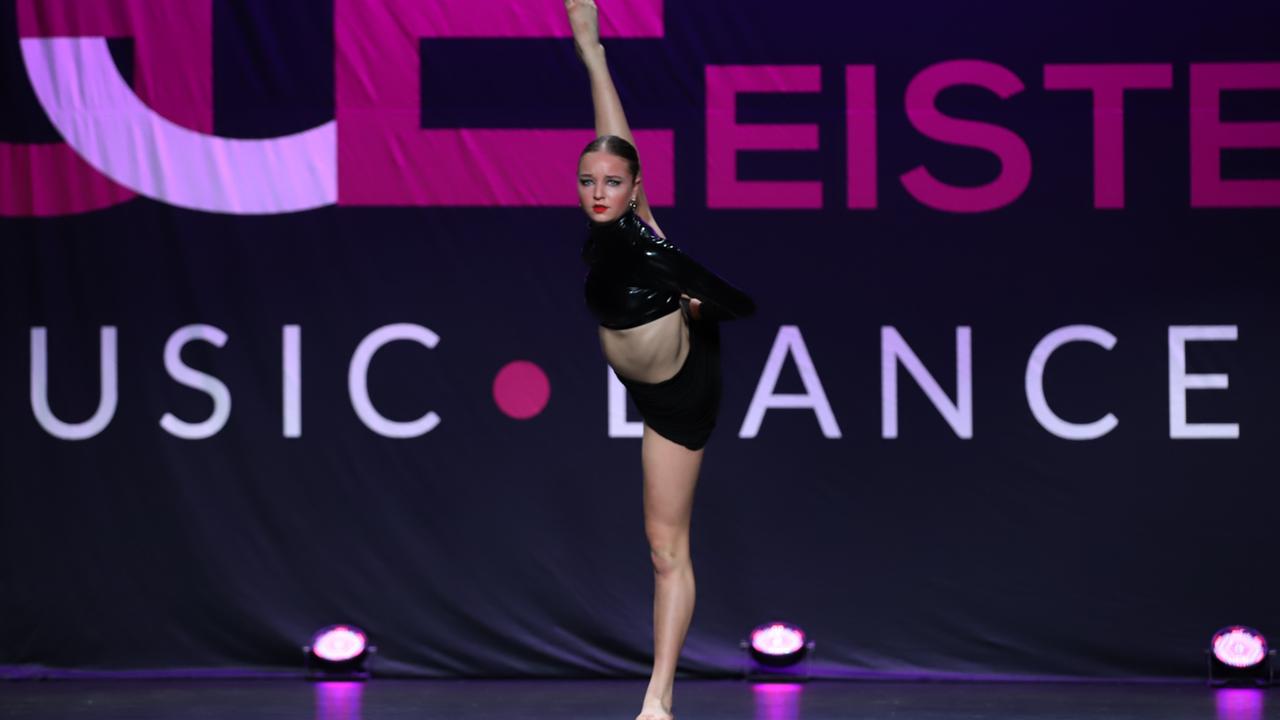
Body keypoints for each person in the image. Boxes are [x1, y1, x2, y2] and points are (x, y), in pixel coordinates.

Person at [565, 2, 757, 719]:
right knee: (656, 547)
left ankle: (658, 701)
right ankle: (657, 696)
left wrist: (702, 307)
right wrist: (592, 52)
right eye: (588, 182)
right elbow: (613, 139)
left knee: (666, 548)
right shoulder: (606, 230)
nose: (599, 192)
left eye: (613, 184)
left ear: (635, 189)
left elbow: (737, 302)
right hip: (645, 390)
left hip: (680, 393)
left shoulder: (647, 241)